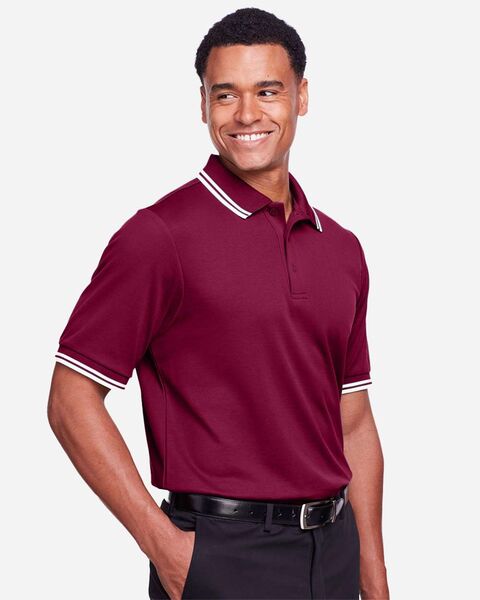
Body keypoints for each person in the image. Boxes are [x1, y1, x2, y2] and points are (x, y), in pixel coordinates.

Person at [47, 7, 389, 600]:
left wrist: (373, 576)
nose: (247, 114)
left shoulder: (342, 248)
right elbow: (70, 398)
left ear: (302, 97)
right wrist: (165, 548)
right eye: (225, 94)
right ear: (202, 104)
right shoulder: (159, 237)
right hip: (221, 556)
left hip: (334, 550)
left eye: (268, 91)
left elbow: (352, 419)